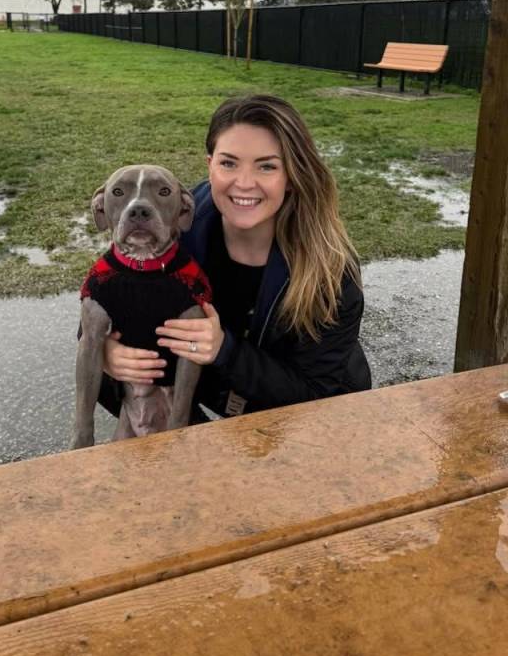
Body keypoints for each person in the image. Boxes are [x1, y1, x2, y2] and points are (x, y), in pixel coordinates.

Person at [100, 93, 371, 423]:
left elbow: (315, 394)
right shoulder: (175, 223)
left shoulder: (331, 267)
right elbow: (105, 298)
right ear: (210, 166)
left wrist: (224, 350)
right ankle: (194, 450)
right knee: (104, 378)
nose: (244, 184)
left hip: (312, 414)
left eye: (267, 166)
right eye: (229, 163)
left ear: (291, 175)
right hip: (218, 394)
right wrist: (107, 352)